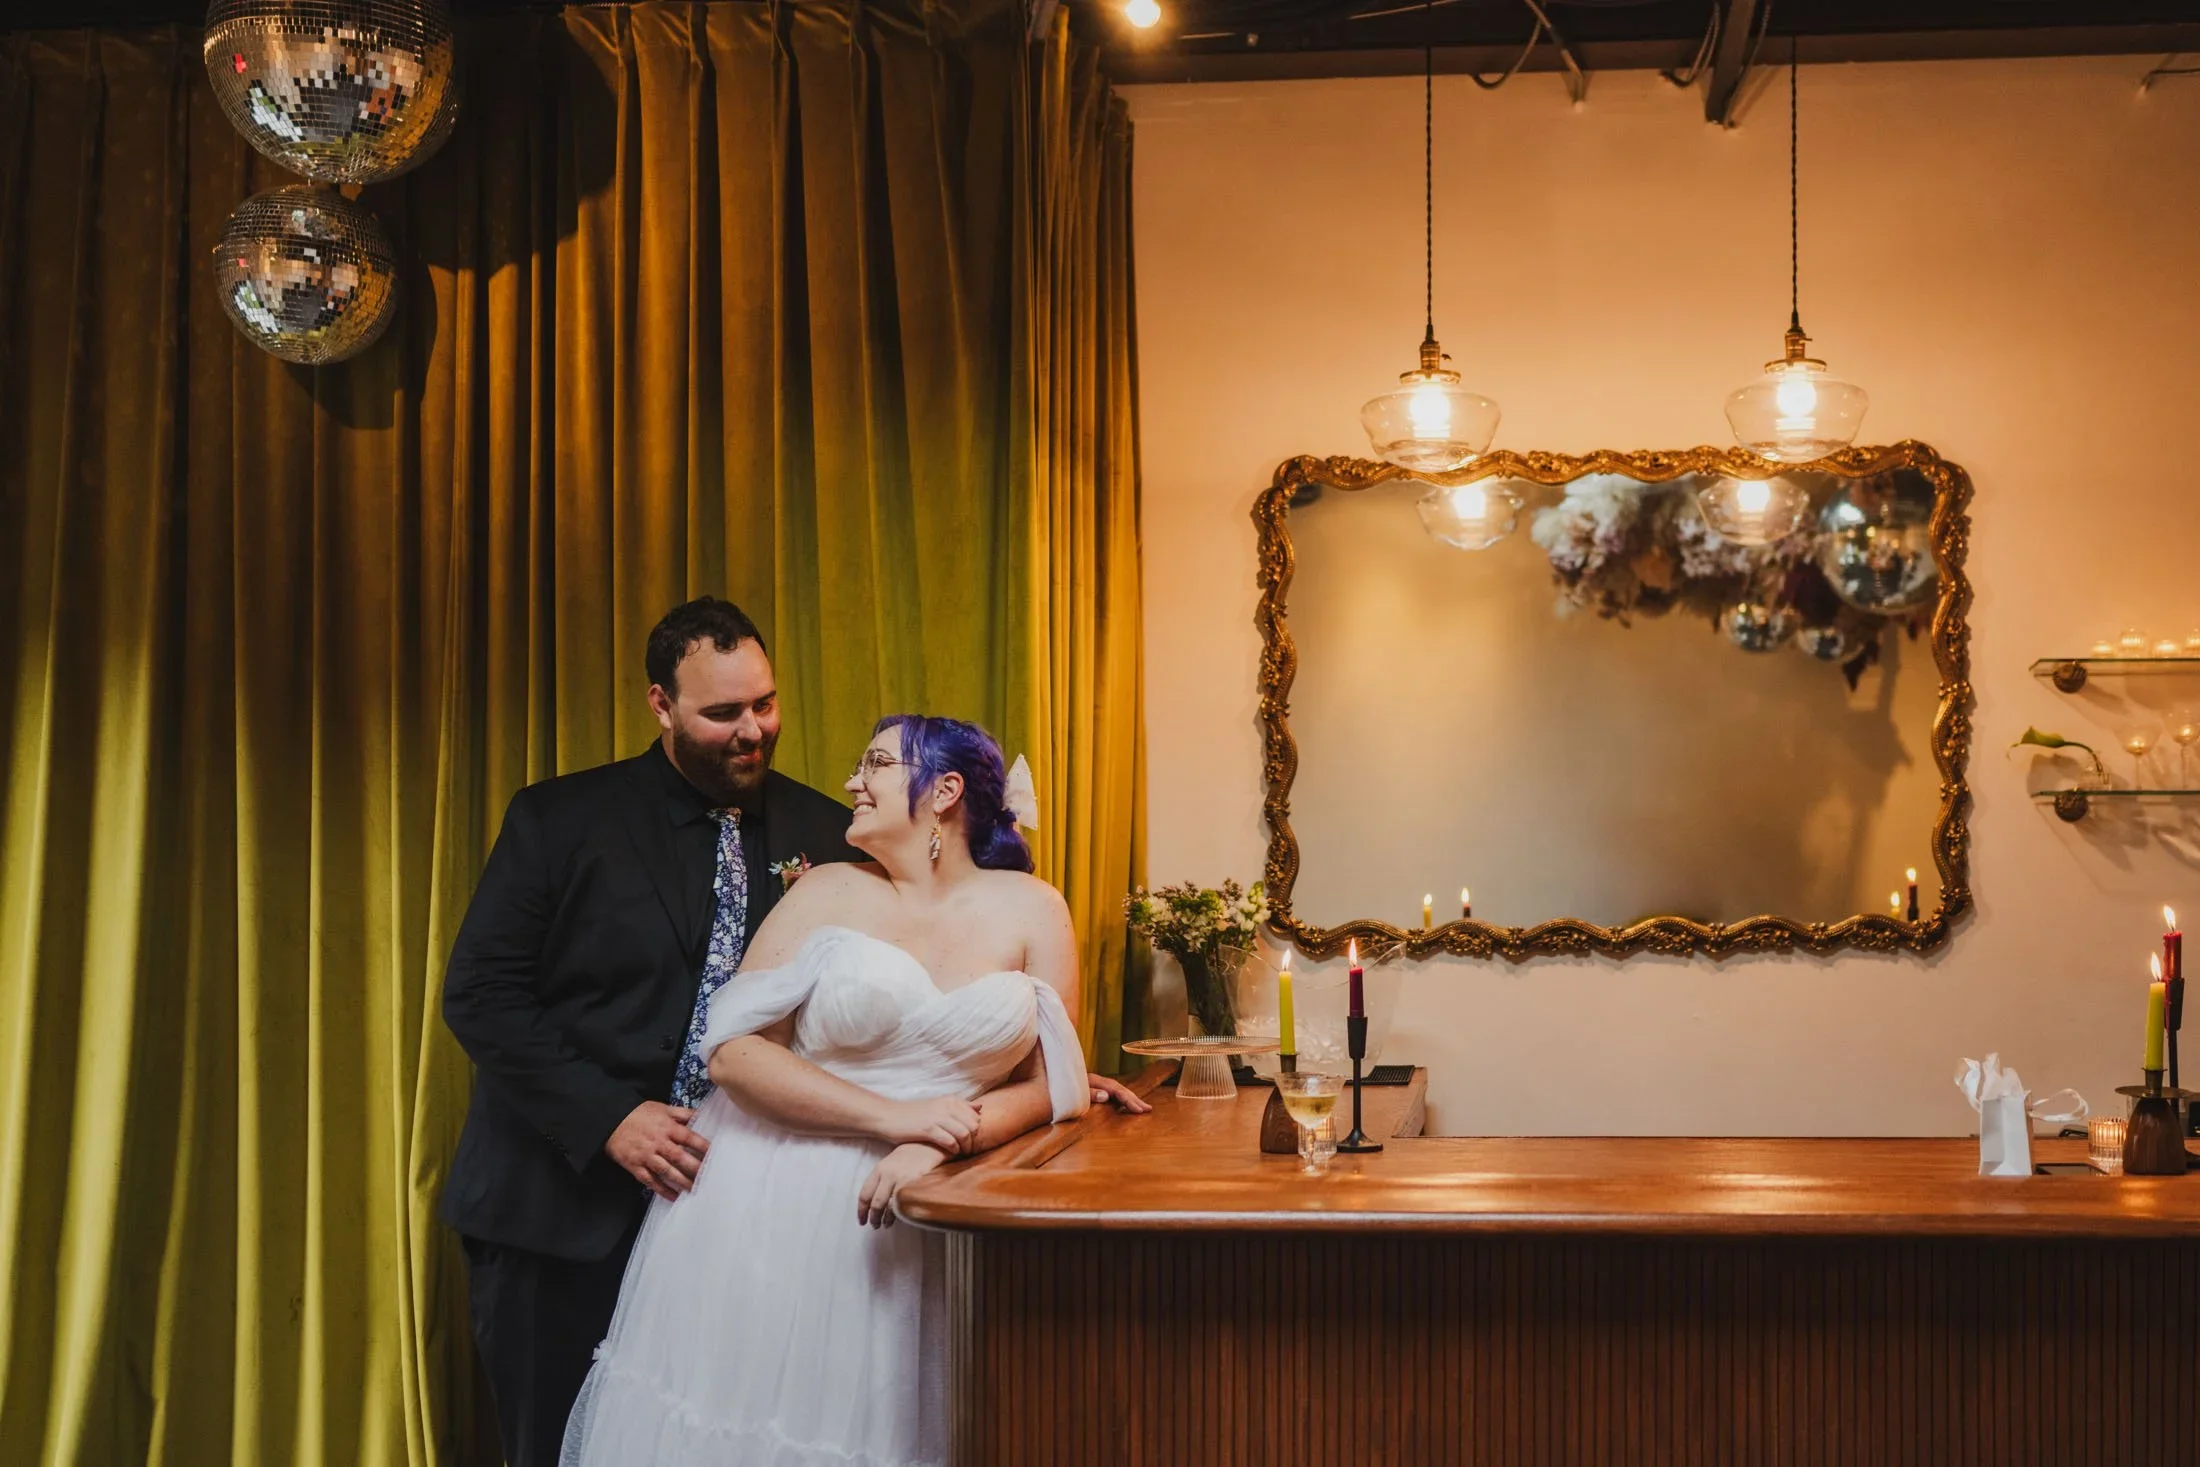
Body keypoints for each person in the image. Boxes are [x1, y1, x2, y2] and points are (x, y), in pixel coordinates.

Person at [441, 598, 1142, 1467]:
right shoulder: (561, 818)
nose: (753, 730)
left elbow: (931, 980)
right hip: (563, 1202)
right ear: (661, 704)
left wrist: (1047, 1078)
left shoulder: (829, 835)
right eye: (723, 713)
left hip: (756, 1202)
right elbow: (482, 993)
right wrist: (611, 1117)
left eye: (765, 704)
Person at [559, 714, 1121, 1467]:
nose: (854, 780)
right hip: (774, 1201)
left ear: (945, 791)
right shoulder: (823, 889)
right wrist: (896, 1119)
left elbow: (1054, 1077)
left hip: (938, 1211)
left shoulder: (1033, 906)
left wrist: (939, 1142)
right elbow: (731, 1055)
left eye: (878, 763)